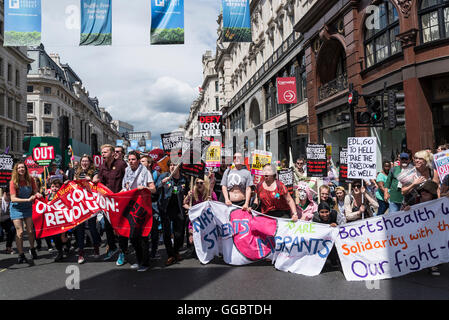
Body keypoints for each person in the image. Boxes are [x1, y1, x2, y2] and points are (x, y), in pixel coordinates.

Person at [120, 151, 156, 272]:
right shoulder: (127, 171)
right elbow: (125, 187)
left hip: (142, 207)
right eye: (129, 159)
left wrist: (144, 188)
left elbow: (153, 189)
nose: (131, 161)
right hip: (130, 206)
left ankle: (145, 263)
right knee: (133, 236)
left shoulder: (145, 171)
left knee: (142, 236)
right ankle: (139, 260)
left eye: (133, 159)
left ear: (138, 160)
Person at [93, 144, 127, 261]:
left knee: (120, 227)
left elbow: (128, 179)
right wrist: (95, 180)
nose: (103, 154)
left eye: (105, 152)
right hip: (107, 202)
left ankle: (123, 251)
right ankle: (112, 248)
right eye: (102, 152)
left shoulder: (121, 165)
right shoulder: (102, 166)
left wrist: (124, 191)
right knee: (108, 227)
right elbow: (101, 183)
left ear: (113, 153)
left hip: (120, 201)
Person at [403, 180, 441, 276]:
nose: (423, 192)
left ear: (432, 194)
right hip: (415, 229)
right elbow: (402, 214)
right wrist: (406, 210)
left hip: (431, 229)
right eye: (422, 190)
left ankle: (433, 265)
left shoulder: (438, 203)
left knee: (433, 244)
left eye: (427, 191)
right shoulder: (414, 200)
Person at [9, 162, 43, 264]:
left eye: (22, 167)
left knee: (30, 231)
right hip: (16, 208)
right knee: (20, 232)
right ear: (16, 170)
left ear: (25, 169)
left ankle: (32, 249)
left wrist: (38, 194)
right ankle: (21, 254)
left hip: (28, 208)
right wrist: (27, 200)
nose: (21, 169)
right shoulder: (13, 182)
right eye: (19, 168)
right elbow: (13, 198)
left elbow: (35, 191)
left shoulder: (31, 179)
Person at [157, 160, 189, 266]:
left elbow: (187, 192)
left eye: (174, 165)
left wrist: (189, 195)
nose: (172, 167)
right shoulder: (163, 176)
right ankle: (170, 255)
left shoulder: (184, 179)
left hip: (179, 208)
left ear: (179, 167)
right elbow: (156, 188)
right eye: (170, 165)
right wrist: (162, 183)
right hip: (166, 208)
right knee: (167, 232)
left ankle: (176, 251)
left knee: (179, 233)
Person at [73, 155, 101, 264]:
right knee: (79, 229)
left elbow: (96, 181)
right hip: (80, 204)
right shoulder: (77, 172)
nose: (84, 163)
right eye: (83, 161)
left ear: (90, 162)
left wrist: (91, 180)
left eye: (86, 161)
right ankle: (81, 253)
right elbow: (74, 184)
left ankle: (96, 247)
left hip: (90, 204)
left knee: (92, 228)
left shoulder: (94, 171)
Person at [183, 175, 217, 257]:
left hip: (206, 220)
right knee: (193, 240)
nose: (199, 185)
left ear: (205, 184)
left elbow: (217, 207)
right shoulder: (193, 193)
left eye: (201, 183)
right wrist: (190, 205)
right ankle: (194, 250)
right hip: (196, 220)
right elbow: (184, 204)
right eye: (197, 183)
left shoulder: (211, 193)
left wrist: (211, 201)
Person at [141, 155, 161, 260]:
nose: (141, 162)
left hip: (153, 203)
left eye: (143, 161)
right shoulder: (139, 174)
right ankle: (144, 252)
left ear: (149, 163)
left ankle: (154, 250)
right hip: (142, 204)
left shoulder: (155, 174)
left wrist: (146, 189)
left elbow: (157, 190)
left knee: (154, 230)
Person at [312, 202, 343, 268]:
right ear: (318, 212)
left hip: (334, 240)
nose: (325, 214)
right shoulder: (315, 218)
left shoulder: (335, 214)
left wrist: (337, 226)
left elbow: (344, 225)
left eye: (327, 212)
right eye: (322, 212)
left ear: (330, 211)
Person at [0, 187, 15, 254]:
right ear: (4, 194)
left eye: (10, 195)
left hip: (6, 220)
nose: (9, 197)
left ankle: (8, 247)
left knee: (13, 229)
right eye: (8, 195)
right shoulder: (1, 200)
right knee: (0, 235)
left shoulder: (12, 201)